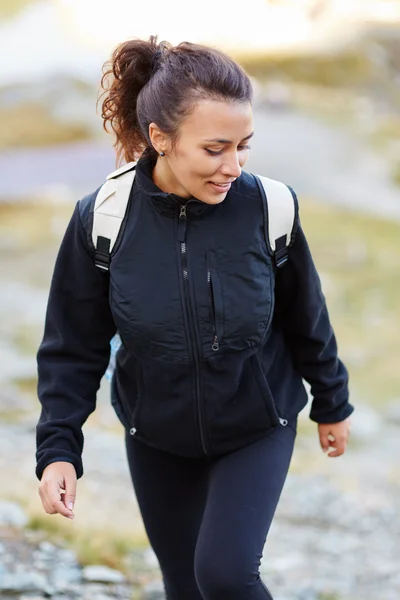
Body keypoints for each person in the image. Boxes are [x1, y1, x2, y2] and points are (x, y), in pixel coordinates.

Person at [36, 36, 353, 600]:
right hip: (155, 434)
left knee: (225, 576)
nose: (233, 165)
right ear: (161, 139)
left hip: (256, 424)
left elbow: (307, 315)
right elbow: (72, 345)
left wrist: (332, 401)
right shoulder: (103, 220)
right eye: (215, 149)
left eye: (243, 146)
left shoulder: (268, 208)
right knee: (185, 588)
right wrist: (59, 449)